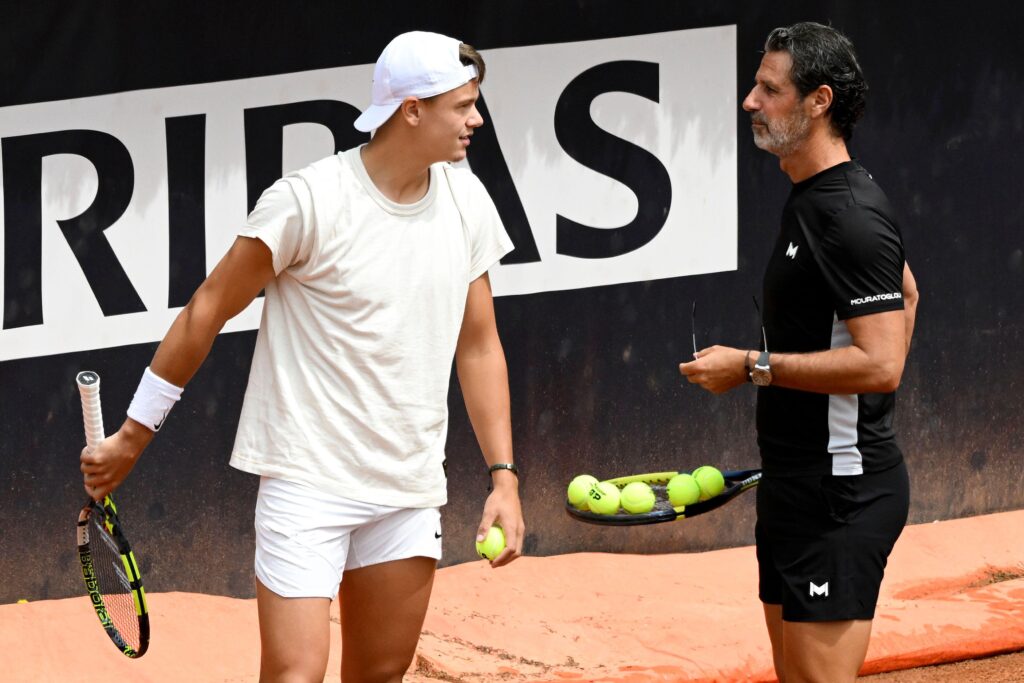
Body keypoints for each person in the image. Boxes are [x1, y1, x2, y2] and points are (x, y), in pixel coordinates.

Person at [79, 30, 525, 683]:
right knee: (294, 675)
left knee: (379, 674)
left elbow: (479, 344)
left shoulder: (466, 200)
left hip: (406, 488)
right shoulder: (308, 201)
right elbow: (208, 308)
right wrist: (132, 437)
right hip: (305, 483)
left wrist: (504, 478)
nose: (476, 119)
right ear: (412, 110)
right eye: (463, 105)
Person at [679, 22, 919, 683]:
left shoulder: (848, 214)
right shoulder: (810, 201)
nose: (750, 101)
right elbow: (909, 293)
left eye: (768, 89)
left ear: (818, 101)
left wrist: (754, 367)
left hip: (841, 496)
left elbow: (883, 362)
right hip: (796, 484)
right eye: (755, 85)